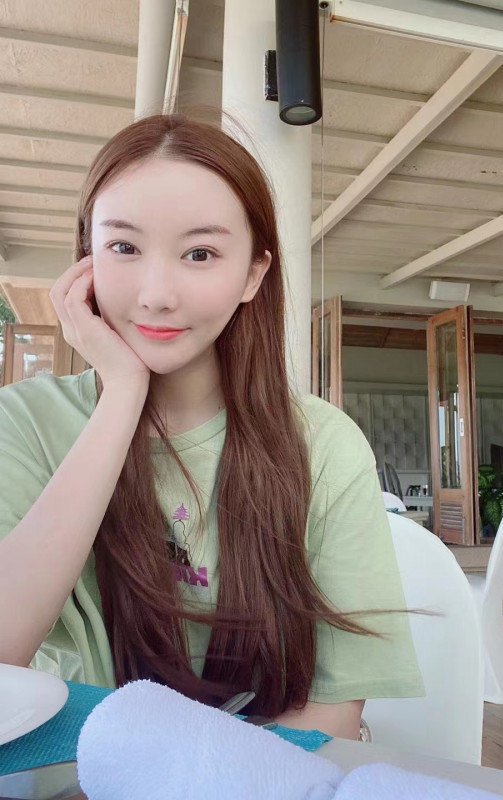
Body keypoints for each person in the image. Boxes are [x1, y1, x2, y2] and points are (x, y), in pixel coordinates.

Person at [0, 114, 423, 739]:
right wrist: (123, 395)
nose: (156, 295)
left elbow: (331, 711)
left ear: (252, 274)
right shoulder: (23, 421)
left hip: (258, 774)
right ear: (87, 257)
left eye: (200, 253)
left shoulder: (323, 445)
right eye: (124, 247)